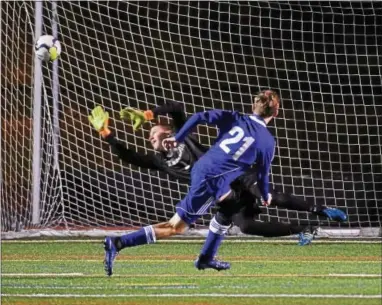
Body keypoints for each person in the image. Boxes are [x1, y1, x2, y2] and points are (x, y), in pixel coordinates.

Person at [89, 99, 346, 246]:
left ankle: (320, 209)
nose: (150, 137)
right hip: (217, 191)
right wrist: (107, 134)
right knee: (245, 225)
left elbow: (177, 108)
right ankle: (305, 228)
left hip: (231, 173)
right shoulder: (159, 161)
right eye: (149, 135)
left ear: (167, 132)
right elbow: (129, 157)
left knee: (265, 194)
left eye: (154, 132)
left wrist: (148, 114)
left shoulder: (182, 138)